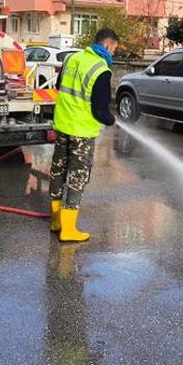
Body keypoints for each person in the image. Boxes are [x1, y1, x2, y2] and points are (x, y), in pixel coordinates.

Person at [49, 28, 118, 242]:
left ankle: (56, 221)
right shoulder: (101, 70)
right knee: (77, 178)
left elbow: (59, 85)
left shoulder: (72, 58)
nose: (114, 54)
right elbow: (100, 111)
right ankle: (69, 230)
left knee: (58, 172)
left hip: (62, 126)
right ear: (107, 45)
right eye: (114, 49)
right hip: (82, 132)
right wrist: (112, 120)